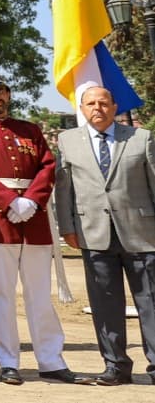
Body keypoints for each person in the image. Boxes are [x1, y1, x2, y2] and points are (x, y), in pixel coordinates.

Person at [0, 68, 80, 385]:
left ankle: (51, 360)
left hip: (34, 219)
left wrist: (32, 202)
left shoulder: (30, 130)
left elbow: (47, 166)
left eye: (1, 90)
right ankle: (8, 361)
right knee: (3, 295)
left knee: (40, 294)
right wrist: (10, 202)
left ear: (8, 94)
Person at [55, 83, 155, 386]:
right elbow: (64, 190)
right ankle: (116, 367)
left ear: (114, 108)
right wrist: (67, 227)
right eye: (90, 104)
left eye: (103, 103)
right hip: (92, 234)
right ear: (82, 109)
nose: (97, 108)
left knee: (150, 302)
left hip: (142, 234)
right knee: (105, 304)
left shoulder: (141, 138)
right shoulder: (67, 141)